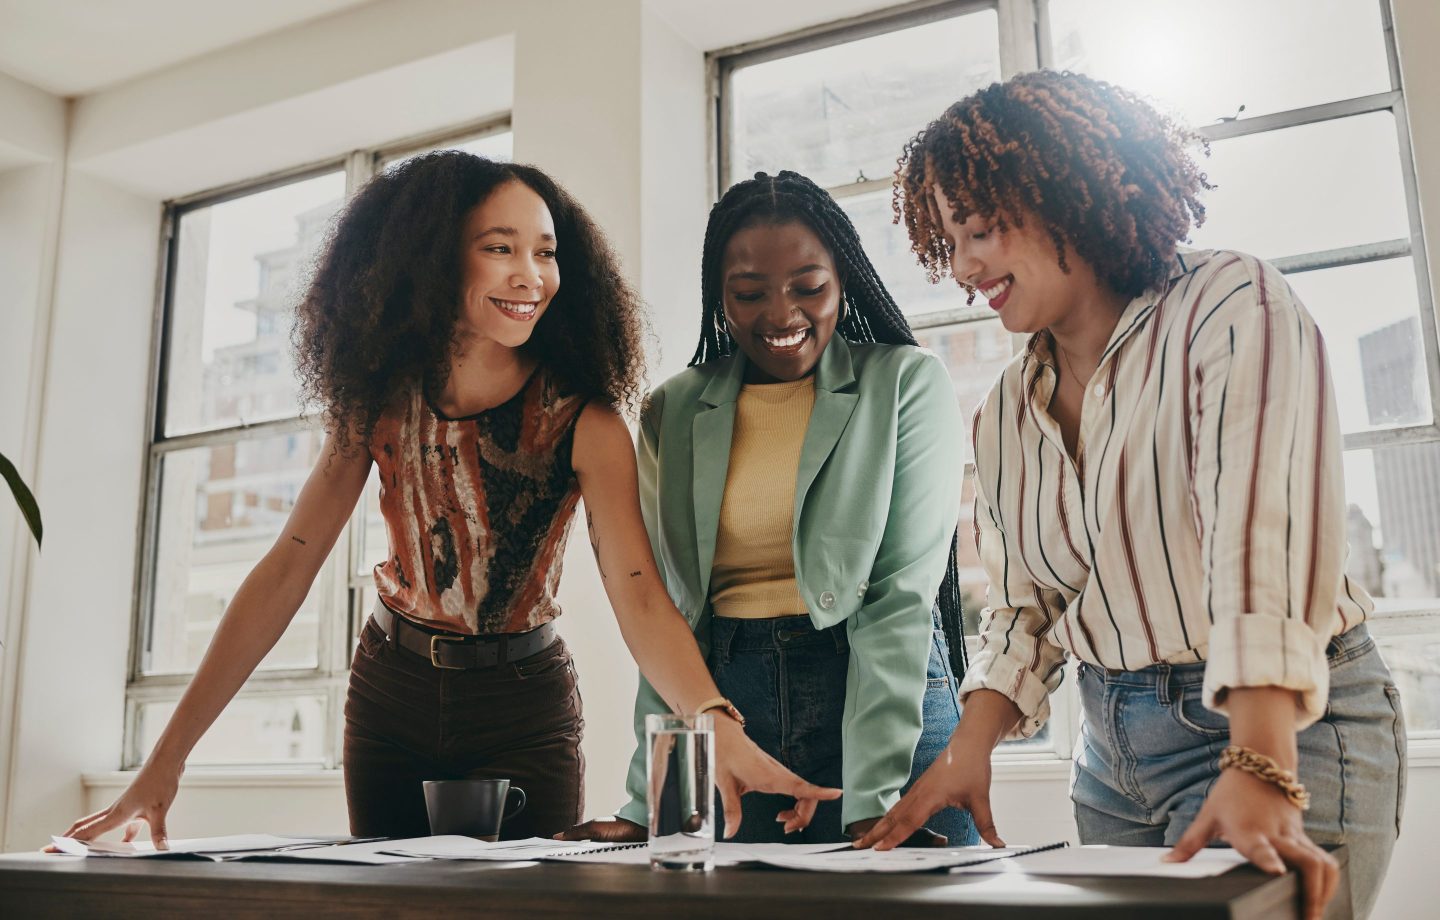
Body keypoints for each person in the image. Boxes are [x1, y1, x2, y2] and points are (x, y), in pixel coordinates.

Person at [59, 152, 838, 846]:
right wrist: (162, 769)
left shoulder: (587, 421)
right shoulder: (377, 405)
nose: (530, 274)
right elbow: (285, 572)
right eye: (499, 249)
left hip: (523, 704)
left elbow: (638, 594)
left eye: (545, 251)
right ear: (431, 261)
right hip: (391, 691)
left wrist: (714, 724)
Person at [855, 71, 1406, 920]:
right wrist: (969, 751)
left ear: (1064, 195)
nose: (963, 266)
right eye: (948, 242)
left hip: (1283, 727)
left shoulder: (1230, 303)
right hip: (1111, 759)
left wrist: (1260, 763)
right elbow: (1026, 612)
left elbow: (1263, 542)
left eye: (979, 231)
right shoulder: (1004, 411)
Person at [563, 171, 978, 846]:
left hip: (883, 702)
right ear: (718, 297)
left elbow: (898, 598)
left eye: (808, 288)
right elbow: (670, 615)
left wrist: (872, 797)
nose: (781, 315)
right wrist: (649, 801)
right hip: (733, 714)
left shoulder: (904, 382)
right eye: (749, 294)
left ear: (843, 280)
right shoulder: (675, 409)